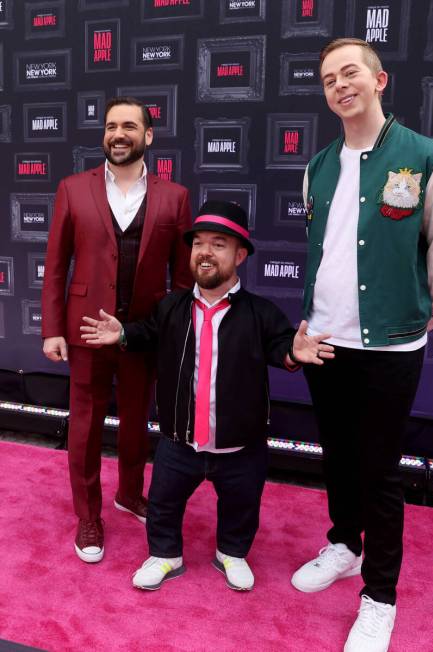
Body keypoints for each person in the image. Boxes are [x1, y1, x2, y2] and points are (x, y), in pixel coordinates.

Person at [290, 38, 433, 652]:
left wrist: (421, 315)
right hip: (326, 341)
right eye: (327, 79)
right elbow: (325, 253)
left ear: (379, 80)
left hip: (390, 349)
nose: (339, 85)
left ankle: (380, 597)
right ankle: (344, 545)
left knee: (380, 472)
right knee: (337, 455)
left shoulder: (424, 157)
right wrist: (310, 322)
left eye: (351, 73)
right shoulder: (317, 165)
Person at [80, 200, 334, 591]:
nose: (205, 252)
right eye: (198, 243)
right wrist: (124, 334)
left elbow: (281, 346)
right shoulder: (171, 306)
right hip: (179, 444)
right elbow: (146, 332)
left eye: (219, 244)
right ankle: (165, 555)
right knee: (163, 504)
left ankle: (231, 552)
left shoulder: (261, 313)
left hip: (241, 448)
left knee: (241, 506)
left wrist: (292, 353)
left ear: (241, 254)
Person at [41, 97, 192, 564]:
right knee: (84, 425)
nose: (118, 134)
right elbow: (55, 265)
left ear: (148, 136)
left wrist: (166, 328)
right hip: (85, 326)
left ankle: (130, 493)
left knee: (135, 421)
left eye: (129, 126)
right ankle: (89, 514)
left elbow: (183, 276)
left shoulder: (175, 197)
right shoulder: (72, 188)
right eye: (110, 127)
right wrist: (52, 328)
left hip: (142, 331)